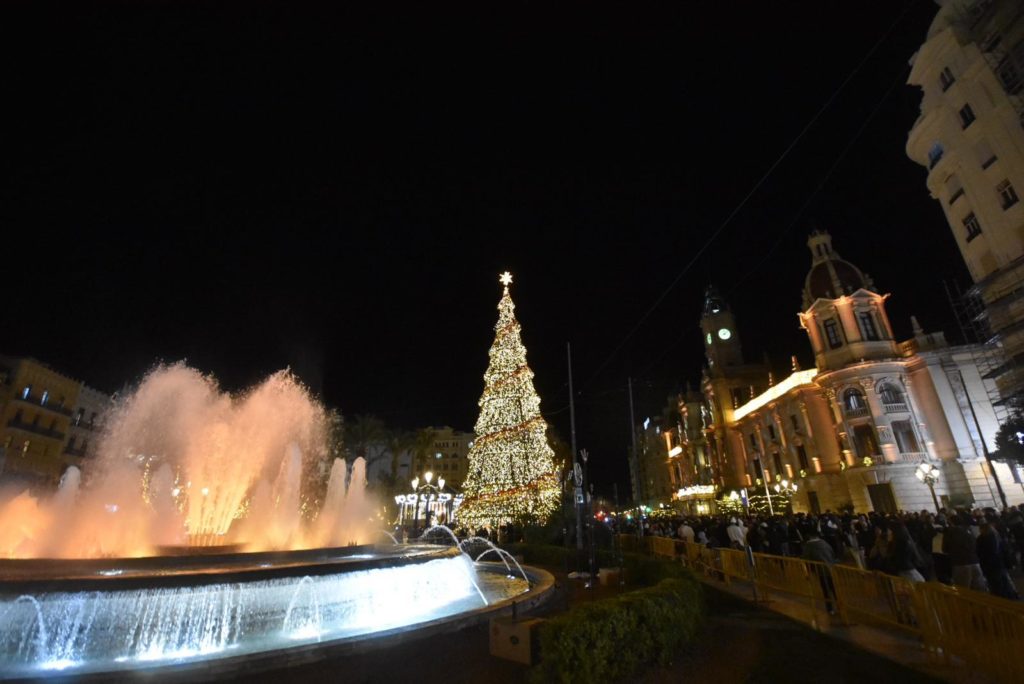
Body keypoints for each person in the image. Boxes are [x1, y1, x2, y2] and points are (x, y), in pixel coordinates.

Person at [943, 512, 989, 592]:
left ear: (951, 522)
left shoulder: (950, 532)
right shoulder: (969, 529)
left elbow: (945, 548)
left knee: (963, 590)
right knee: (980, 588)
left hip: (960, 563)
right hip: (974, 561)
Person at [977, 515, 1019, 600]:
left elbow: (979, 553)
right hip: (1000, 563)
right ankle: (1012, 598)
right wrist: (1009, 563)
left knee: (995, 585)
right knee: (1005, 582)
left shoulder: (981, 539)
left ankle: (1001, 600)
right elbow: (1005, 551)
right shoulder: (997, 537)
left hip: (989, 566)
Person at [802, 526, 837, 615]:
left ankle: (830, 608)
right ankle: (839, 605)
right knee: (833, 588)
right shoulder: (824, 543)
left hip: (820, 570)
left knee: (825, 590)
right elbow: (832, 553)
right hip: (830, 567)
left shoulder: (808, 546)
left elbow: (806, 558)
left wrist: (808, 571)